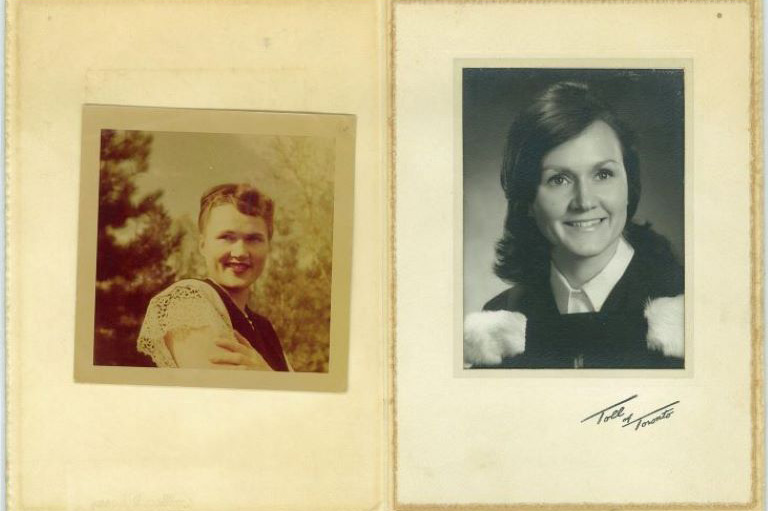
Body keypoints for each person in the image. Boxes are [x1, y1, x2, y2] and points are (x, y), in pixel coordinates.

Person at [464, 82, 684, 369]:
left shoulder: (688, 309)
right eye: (559, 179)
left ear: (629, 185)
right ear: (527, 198)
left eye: (603, 174)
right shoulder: (498, 322)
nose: (584, 201)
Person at [137, 183, 291, 371]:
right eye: (227, 237)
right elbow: (219, 395)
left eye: (254, 239)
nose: (241, 252)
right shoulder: (186, 301)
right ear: (203, 245)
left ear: (268, 246)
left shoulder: (265, 328)